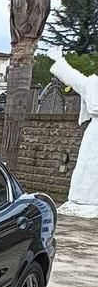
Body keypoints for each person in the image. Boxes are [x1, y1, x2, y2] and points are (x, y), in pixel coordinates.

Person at [49, 46, 98, 217]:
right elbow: (75, 79)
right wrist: (59, 61)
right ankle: (82, 198)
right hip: (94, 135)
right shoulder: (93, 83)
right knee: (88, 166)